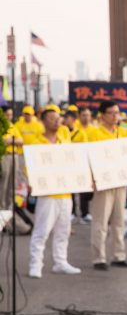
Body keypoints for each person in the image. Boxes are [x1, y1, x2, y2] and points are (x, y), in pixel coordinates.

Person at [26, 109, 81, 278]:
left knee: (63, 230)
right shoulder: (36, 143)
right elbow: (30, 168)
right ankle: (36, 264)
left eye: (58, 119)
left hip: (65, 193)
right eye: (52, 119)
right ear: (43, 121)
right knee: (42, 230)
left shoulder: (64, 142)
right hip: (48, 193)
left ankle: (60, 261)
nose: (57, 122)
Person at [87, 100, 127, 270]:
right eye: (112, 113)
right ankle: (99, 258)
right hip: (103, 181)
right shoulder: (94, 133)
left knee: (119, 220)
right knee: (101, 221)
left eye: (117, 112)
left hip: (120, 180)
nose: (116, 116)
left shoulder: (122, 132)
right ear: (102, 115)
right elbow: (90, 158)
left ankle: (119, 255)